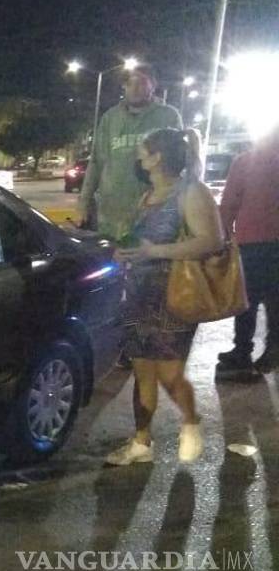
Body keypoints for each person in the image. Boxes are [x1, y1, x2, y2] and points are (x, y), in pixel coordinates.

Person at [105, 128, 223, 465]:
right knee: (143, 372)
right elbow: (135, 242)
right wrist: (123, 252)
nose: (139, 158)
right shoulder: (145, 196)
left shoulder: (191, 192)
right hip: (139, 294)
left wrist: (155, 250)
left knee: (169, 375)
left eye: (144, 152)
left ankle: (190, 421)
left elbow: (210, 241)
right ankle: (141, 442)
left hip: (175, 296)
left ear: (158, 157)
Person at [78, 65, 182, 238]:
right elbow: (96, 162)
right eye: (129, 83)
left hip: (152, 211)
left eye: (141, 82)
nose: (134, 88)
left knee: (146, 260)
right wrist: (83, 203)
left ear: (153, 86)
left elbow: (178, 161)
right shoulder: (110, 118)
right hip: (111, 214)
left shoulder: (168, 116)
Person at [216, 124, 279, 378]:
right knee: (276, 301)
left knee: (246, 301)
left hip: (252, 242)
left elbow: (229, 203)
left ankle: (242, 351)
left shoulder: (245, 162)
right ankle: (274, 348)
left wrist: (222, 237)